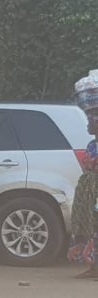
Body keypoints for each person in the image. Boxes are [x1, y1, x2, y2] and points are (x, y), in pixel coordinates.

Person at [68, 107, 98, 279]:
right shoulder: (92, 145)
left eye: (90, 122)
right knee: (88, 226)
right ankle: (93, 266)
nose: (87, 125)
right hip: (88, 190)